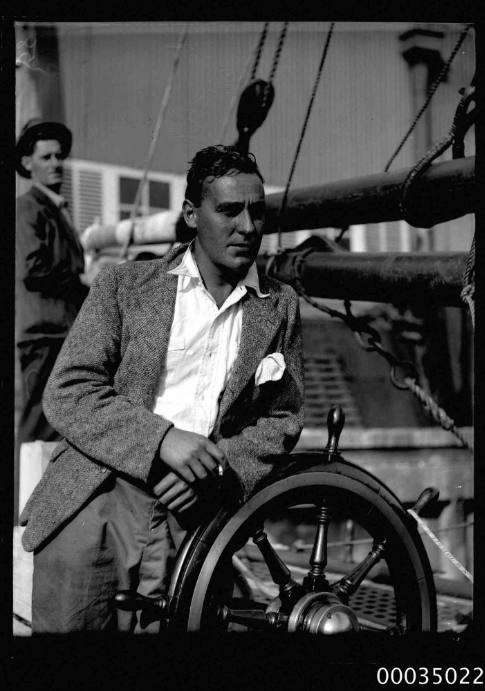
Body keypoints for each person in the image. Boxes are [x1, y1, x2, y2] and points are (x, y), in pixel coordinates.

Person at [20, 144, 304, 633]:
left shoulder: (279, 307)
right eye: (229, 210)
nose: (248, 226)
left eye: (258, 212)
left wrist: (217, 467)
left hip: (196, 517)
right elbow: (68, 389)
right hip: (98, 500)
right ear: (192, 215)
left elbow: (283, 417)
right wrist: (161, 441)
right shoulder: (124, 284)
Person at [16, 118, 89, 443]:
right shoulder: (28, 208)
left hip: (62, 334)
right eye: (47, 157)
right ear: (26, 163)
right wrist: (83, 279)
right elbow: (33, 269)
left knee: (56, 426)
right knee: (37, 426)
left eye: (59, 156)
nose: (56, 164)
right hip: (45, 335)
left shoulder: (57, 211)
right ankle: (21, 493)